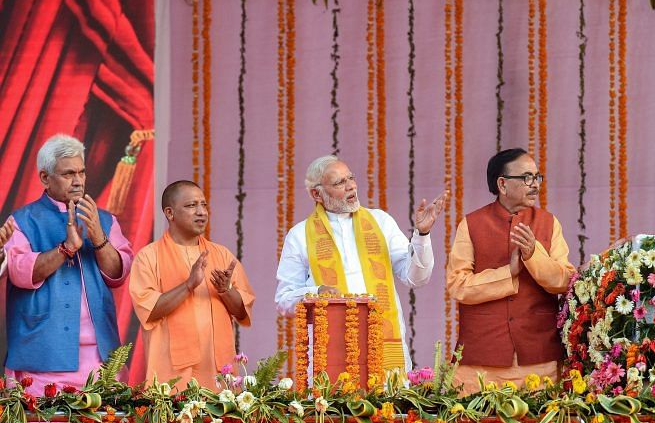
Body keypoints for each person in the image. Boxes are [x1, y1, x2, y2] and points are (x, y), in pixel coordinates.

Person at [4, 134, 133, 423]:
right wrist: (65, 248)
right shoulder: (22, 220)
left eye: (82, 172)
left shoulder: (104, 220)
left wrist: (98, 237)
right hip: (43, 363)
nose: (78, 181)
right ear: (45, 178)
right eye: (68, 173)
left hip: (101, 362)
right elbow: (21, 272)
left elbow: (119, 272)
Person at [276, 155, 446, 371]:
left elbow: (416, 278)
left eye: (351, 178)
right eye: (340, 183)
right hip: (330, 354)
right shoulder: (300, 235)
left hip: (384, 348)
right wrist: (317, 292)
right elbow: (284, 300)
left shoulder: (381, 221)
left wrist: (422, 234)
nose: (351, 187)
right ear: (316, 194)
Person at [446, 148, 575, 395]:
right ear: (502, 184)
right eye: (527, 177)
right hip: (483, 360)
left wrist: (533, 256)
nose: (535, 184)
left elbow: (566, 280)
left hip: (539, 358)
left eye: (537, 177)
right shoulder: (471, 224)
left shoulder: (549, 222)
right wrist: (509, 272)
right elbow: (457, 285)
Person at [129, 180, 255, 392]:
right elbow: (149, 310)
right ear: (170, 213)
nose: (201, 212)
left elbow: (242, 311)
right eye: (191, 206)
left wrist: (226, 291)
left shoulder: (221, 255)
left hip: (218, 374)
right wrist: (188, 285)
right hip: (171, 375)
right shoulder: (148, 257)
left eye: (204, 205)